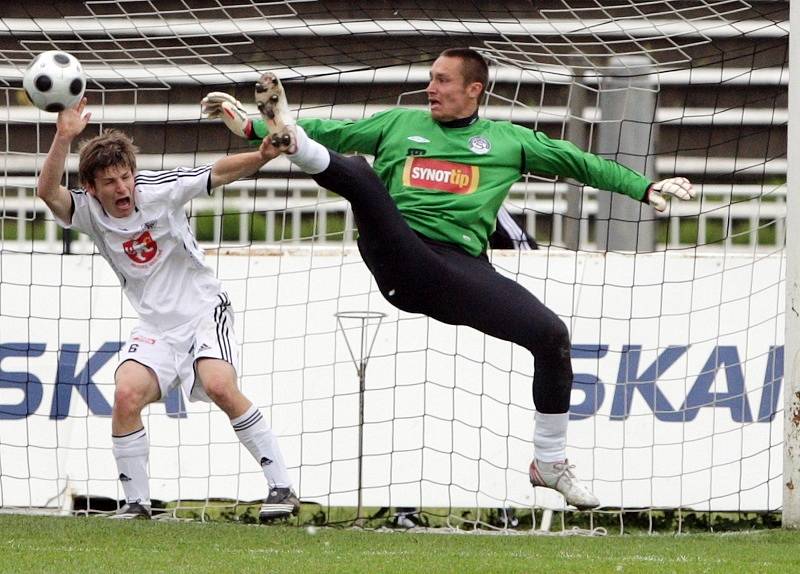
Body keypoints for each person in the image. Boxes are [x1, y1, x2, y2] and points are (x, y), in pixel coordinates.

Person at [202, 48, 694, 509]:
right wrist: (252, 129)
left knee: (551, 335)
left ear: (475, 89)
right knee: (359, 176)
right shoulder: (400, 123)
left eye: (442, 80)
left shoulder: (508, 141)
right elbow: (337, 130)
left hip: (459, 271)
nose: (431, 88)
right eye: (430, 79)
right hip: (397, 253)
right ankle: (288, 134)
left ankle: (550, 462)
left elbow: (578, 163)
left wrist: (643, 186)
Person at [37, 97, 300, 521]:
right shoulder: (87, 212)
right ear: (92, 188)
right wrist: (64, 136)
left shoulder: (159, 190)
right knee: (124, 395)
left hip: (202, 309)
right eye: (110, 182)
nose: (122, 188)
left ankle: (282, 487)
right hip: (156, 326)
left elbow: (215, 173)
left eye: (126, 177)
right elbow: (47, 191)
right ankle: (137, 505)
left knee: (218, 385)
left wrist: (262, 155)